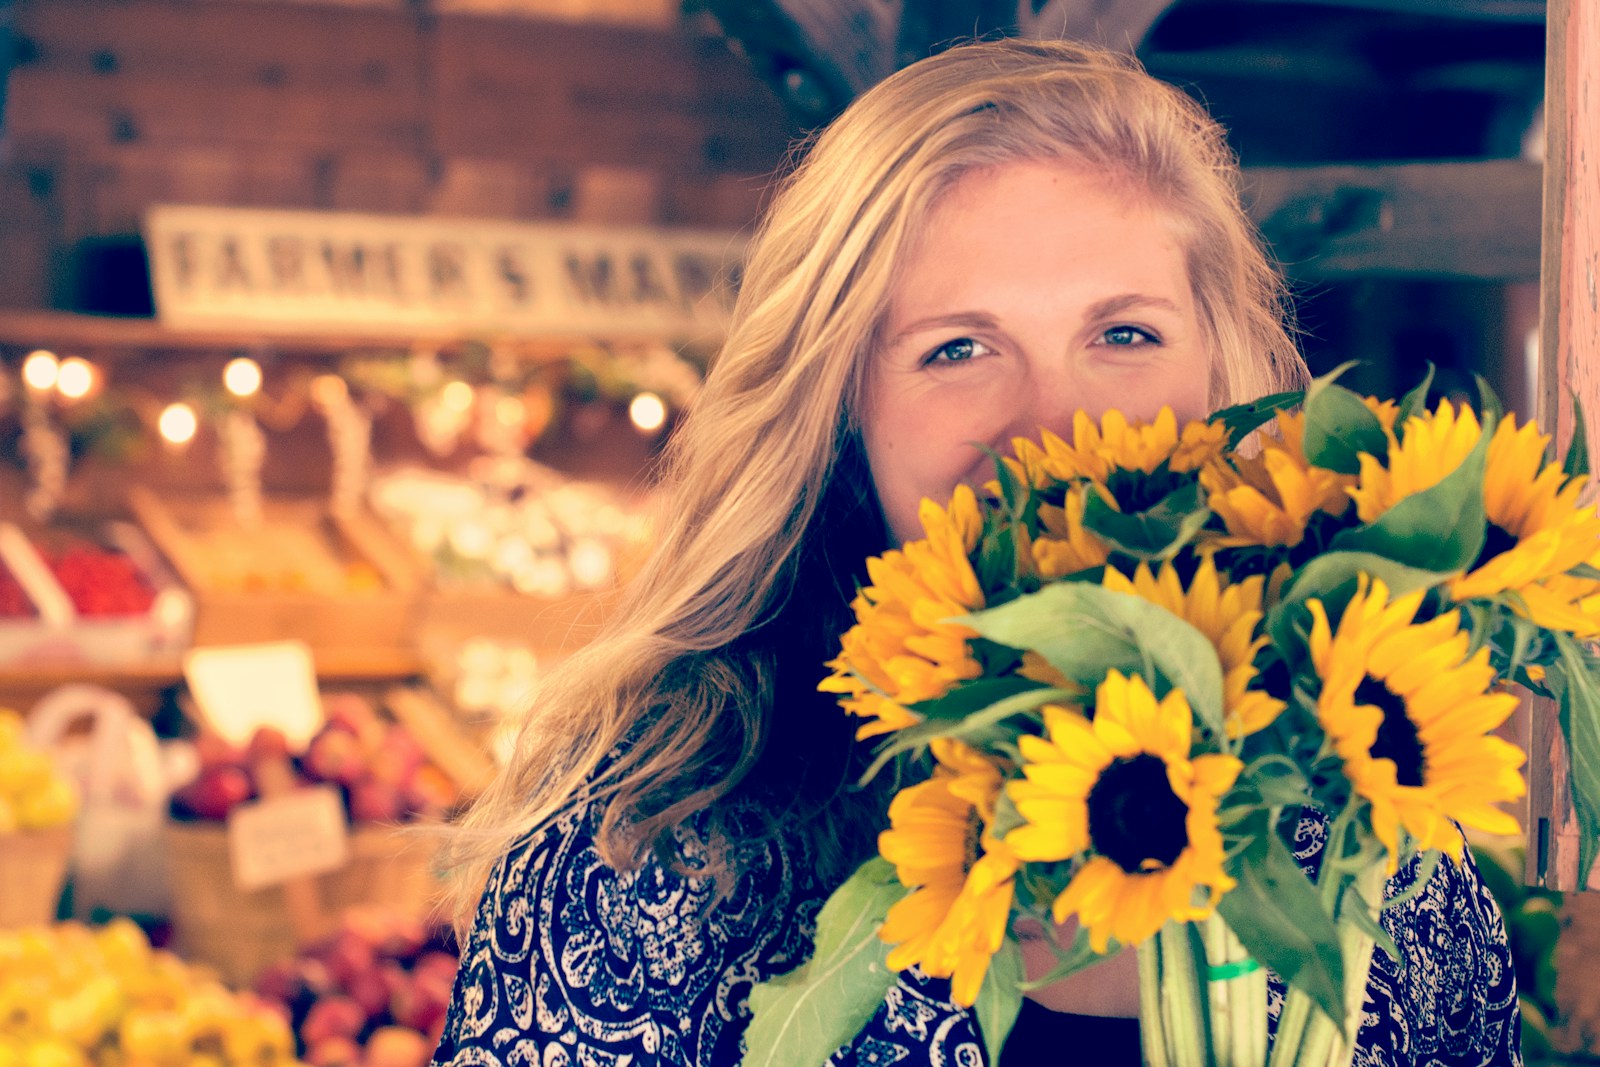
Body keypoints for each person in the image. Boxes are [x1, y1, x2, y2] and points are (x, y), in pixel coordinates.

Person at [429, 37, 1521, 1066]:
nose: (1057, 428)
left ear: (1222, 375)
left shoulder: (1378, 838)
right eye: (957, 347)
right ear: (842, 409)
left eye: (1123, 333)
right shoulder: (653, 845)